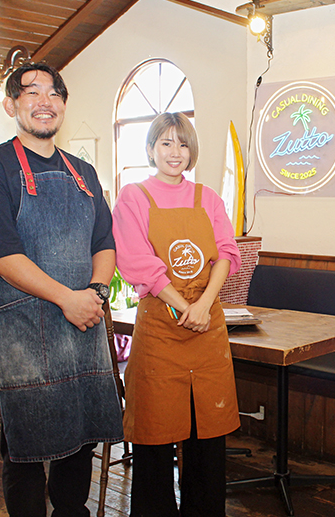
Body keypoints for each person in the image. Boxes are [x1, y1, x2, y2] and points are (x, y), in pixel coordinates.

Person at [0, 62, 124, 517]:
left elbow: (104, 242)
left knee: (82, 432)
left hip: (82, 320)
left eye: (54, 93)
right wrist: (67, 298)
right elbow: (1, 254)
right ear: (11, 104)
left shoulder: (83, 172)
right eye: (31, 92)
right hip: (24, 328)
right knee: (27, 440)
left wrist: (94, 293)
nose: (44, 101)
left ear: (64, 104)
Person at [112, 112, 241, 517]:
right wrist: (186, 307)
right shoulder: (134, 197)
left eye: (183, 144)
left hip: (207, 327)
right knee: (154, 435)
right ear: (151, 149)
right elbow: (138, 262)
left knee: (208, 436)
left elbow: (226, 253)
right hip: (160, 330)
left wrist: (203, 305)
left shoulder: (208, 197)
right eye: (166, 143)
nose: (175, 152)